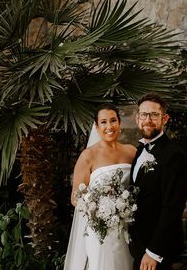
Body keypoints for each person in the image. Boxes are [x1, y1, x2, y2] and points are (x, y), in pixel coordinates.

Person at [64, 103, 137, 270]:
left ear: (119, 123)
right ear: (96, 127)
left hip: (128, 227)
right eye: (103, 122)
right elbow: (76, 197)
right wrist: (101, 206)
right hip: (101, 230)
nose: (109, 126)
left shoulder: (131, 151)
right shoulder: (88, 156)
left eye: (113, 120)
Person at [129, 93, 187, 270]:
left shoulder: (174, 155)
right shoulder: (140, 151)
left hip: (157, 252)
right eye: (144, 114)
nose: (148, 119)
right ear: (137, 118)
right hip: (138, 247)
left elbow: (173, 207)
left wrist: (154, 252)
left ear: (165, 119)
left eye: (154, 115)